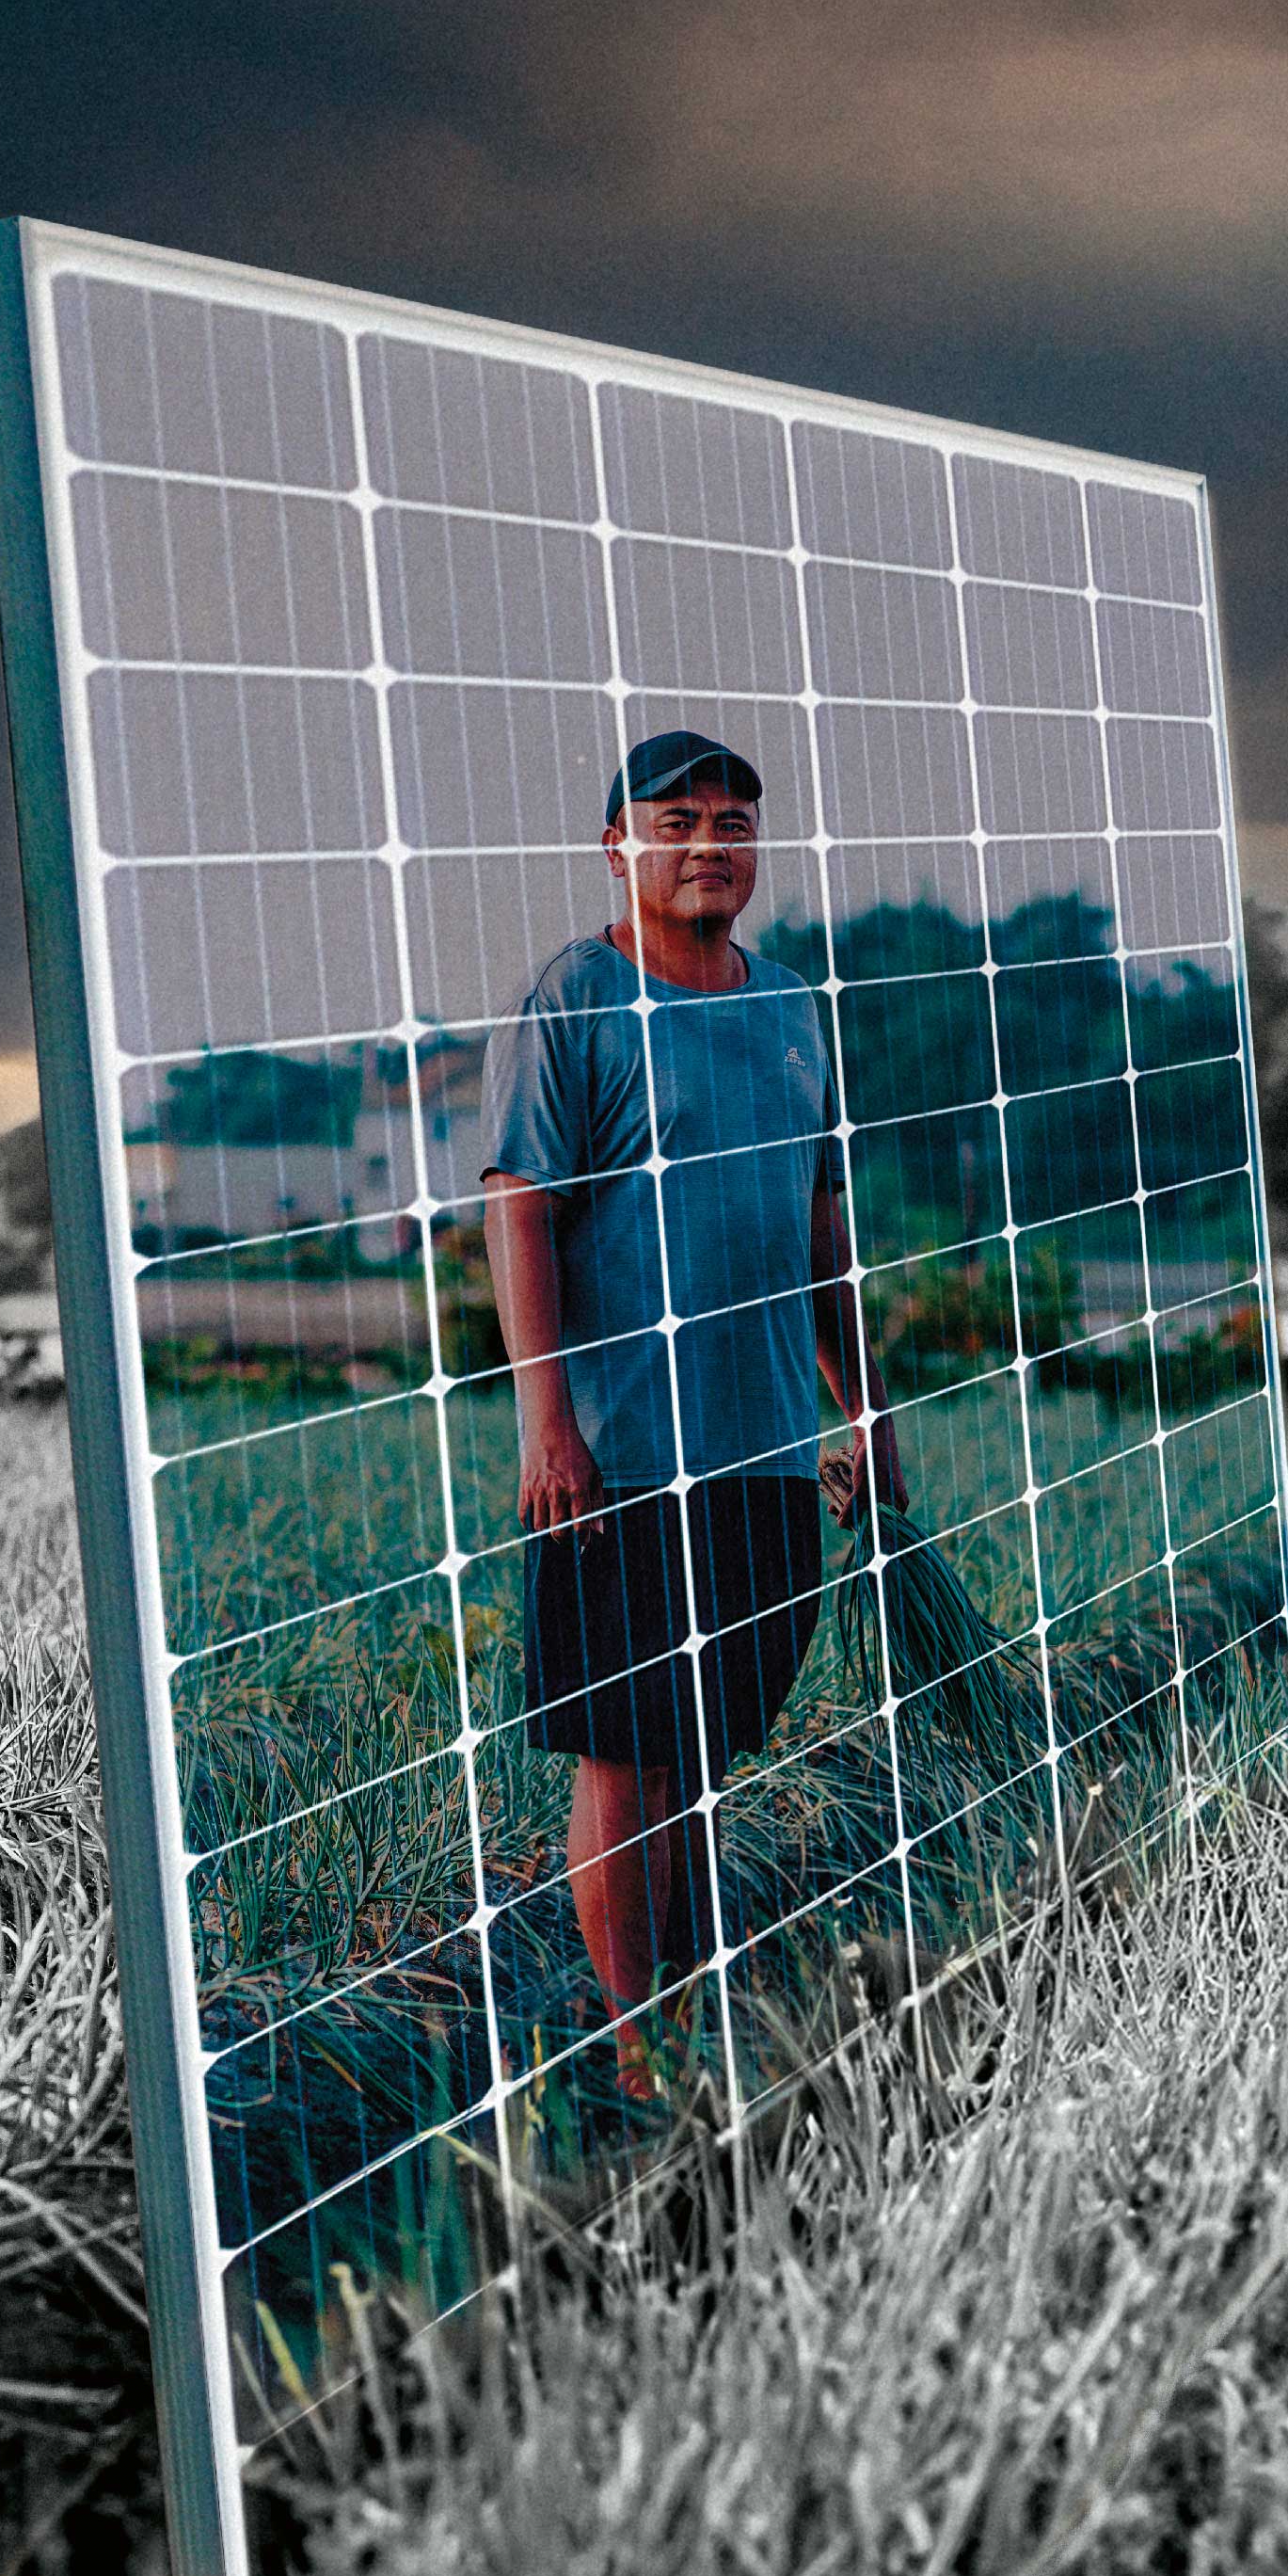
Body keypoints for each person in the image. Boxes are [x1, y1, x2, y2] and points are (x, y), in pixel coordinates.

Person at [484, 728, 874, 2091]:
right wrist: (550, 1428)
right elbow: (519, 1210)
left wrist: (862, 1407)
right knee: (626, 1756)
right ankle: (635, 2044)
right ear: (618, 847)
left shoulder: (792, 1009)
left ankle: (693, 2014)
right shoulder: (575, 998)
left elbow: (819, 1224)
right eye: (677, 820)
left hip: (764, 1453)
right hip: (625, 1458)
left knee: (701, 1756)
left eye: (733, 822)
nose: (709, 844)